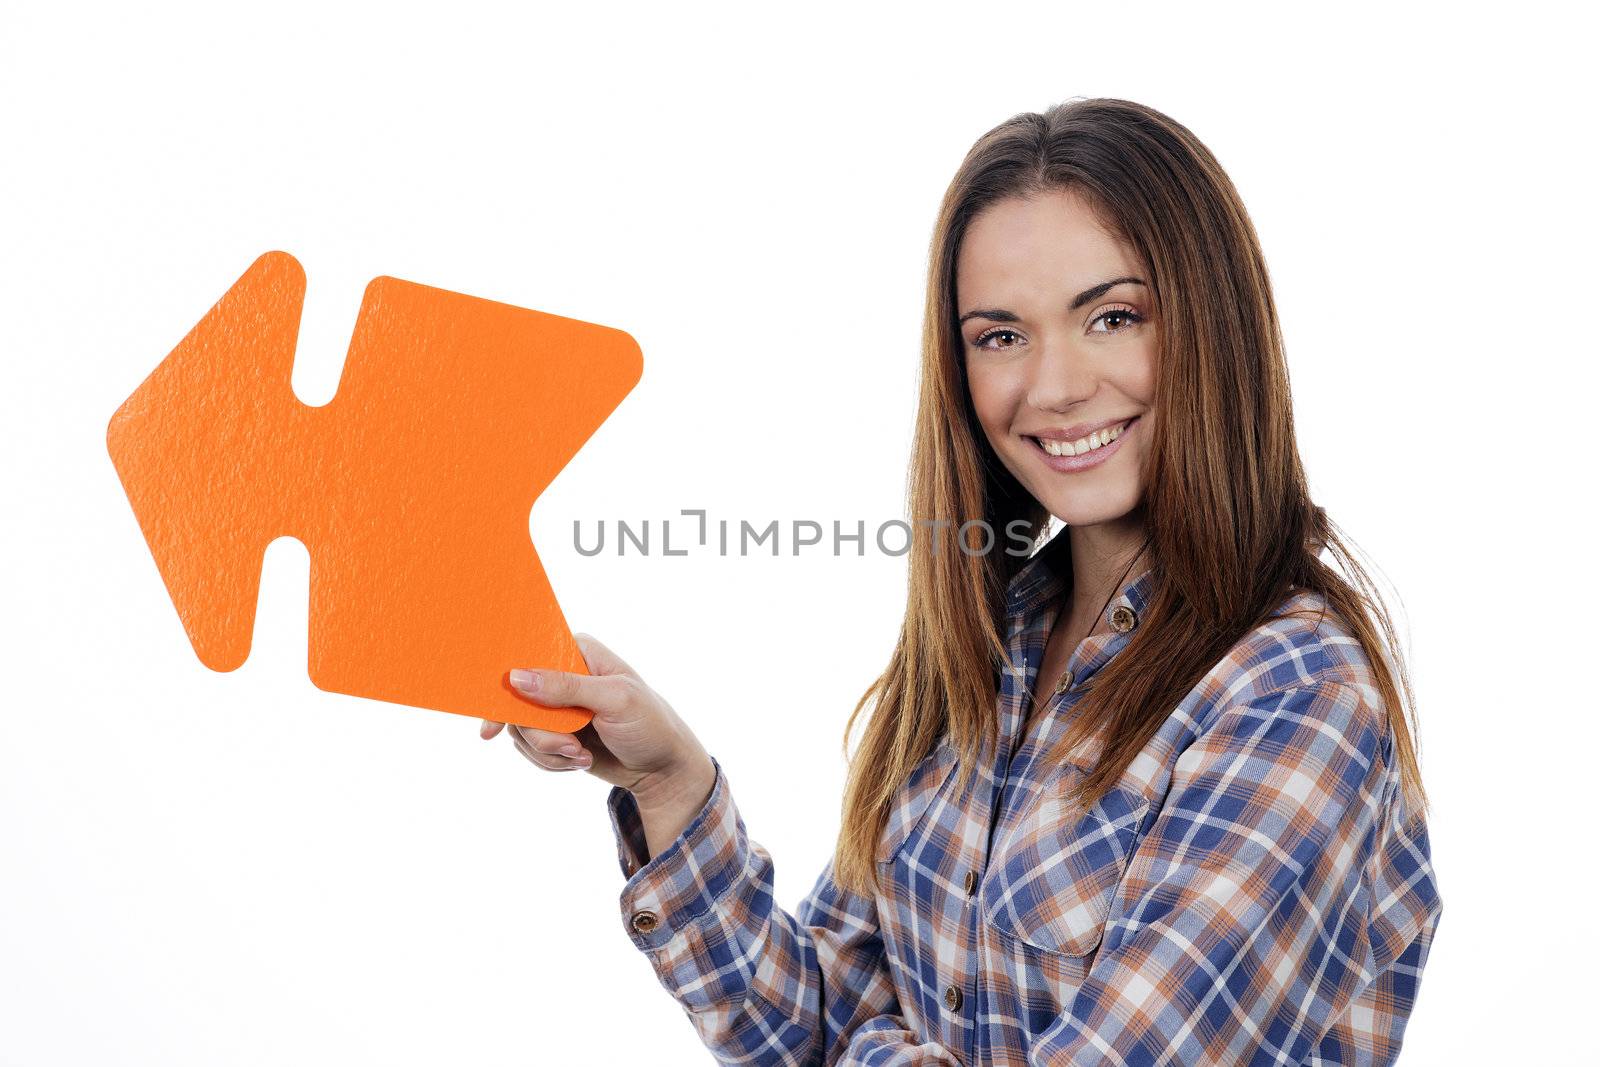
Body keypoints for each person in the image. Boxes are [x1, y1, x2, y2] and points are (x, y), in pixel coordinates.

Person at [479, 97, 1441, 1066]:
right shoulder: (994, 637)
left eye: (1111, 317)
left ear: (1212, 324)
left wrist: (869, 1045)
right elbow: (804, 1025)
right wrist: (668, 780)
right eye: (999, 335)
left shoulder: (1294, 695)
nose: (1054, 385)